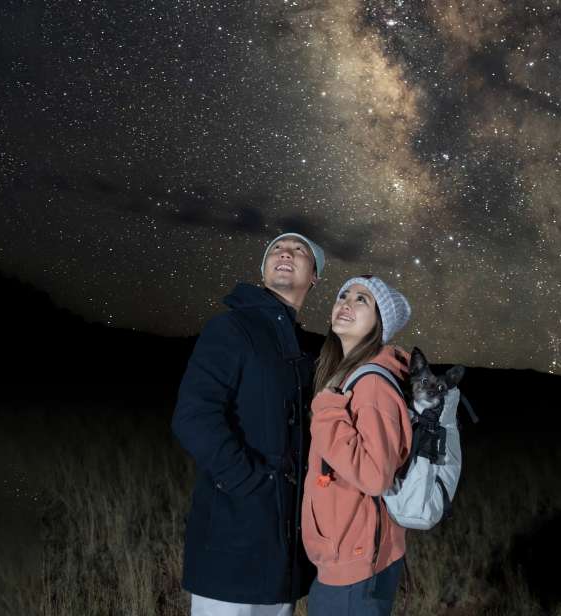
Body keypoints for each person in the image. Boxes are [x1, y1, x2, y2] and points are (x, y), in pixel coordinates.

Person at [171, 232, 326, 615]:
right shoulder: (231, 328)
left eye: (299, 250)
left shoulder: (310, 351)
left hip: (284, 554)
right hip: (232, 538)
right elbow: (193, 416)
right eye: (276, 249)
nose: (285, 253)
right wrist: (249, 482)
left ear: (315, 277)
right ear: (263, 269)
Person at [301, 275, 413, 615]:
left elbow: (375, 475)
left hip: (357, 563)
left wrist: (325, 413)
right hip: (350, 554)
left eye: (362, 299)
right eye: (343, 295)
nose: (346, 303)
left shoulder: (372, 384)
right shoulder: (351, 375)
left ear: (380, 322)